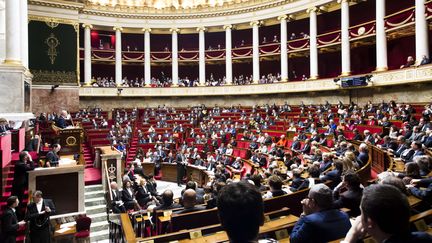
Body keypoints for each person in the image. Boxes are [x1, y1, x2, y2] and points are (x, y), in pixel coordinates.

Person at [344, 184, 432, 243]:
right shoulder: (425, 237)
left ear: (370, 222)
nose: (359, 217)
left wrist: (350, 236)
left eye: (361, 213)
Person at [12, 151, 35, 218]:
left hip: (20, 184)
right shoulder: (20, 164)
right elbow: (32, 168)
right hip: (18, 186)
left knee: (20, 200)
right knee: (18, 200)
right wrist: (30, 160)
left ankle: (18, 214)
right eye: (27, 156)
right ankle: (18, 216)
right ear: (25, 157)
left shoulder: (21, 163)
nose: (28, 156)